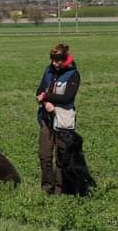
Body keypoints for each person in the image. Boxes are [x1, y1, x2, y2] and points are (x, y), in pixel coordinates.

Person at [36, 43, 81, 195]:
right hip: (46, 120)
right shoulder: (48, 70)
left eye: (57, 60)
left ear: (65, 59)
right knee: (44, 155)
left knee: (62, 158)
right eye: (52, 60)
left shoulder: (73, 74)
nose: (54, 63)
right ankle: (47, 187)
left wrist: (47, 96)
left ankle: (60, 190)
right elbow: (39, 91)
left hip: (63, 122)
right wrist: (45, 101)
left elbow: (67, 97)